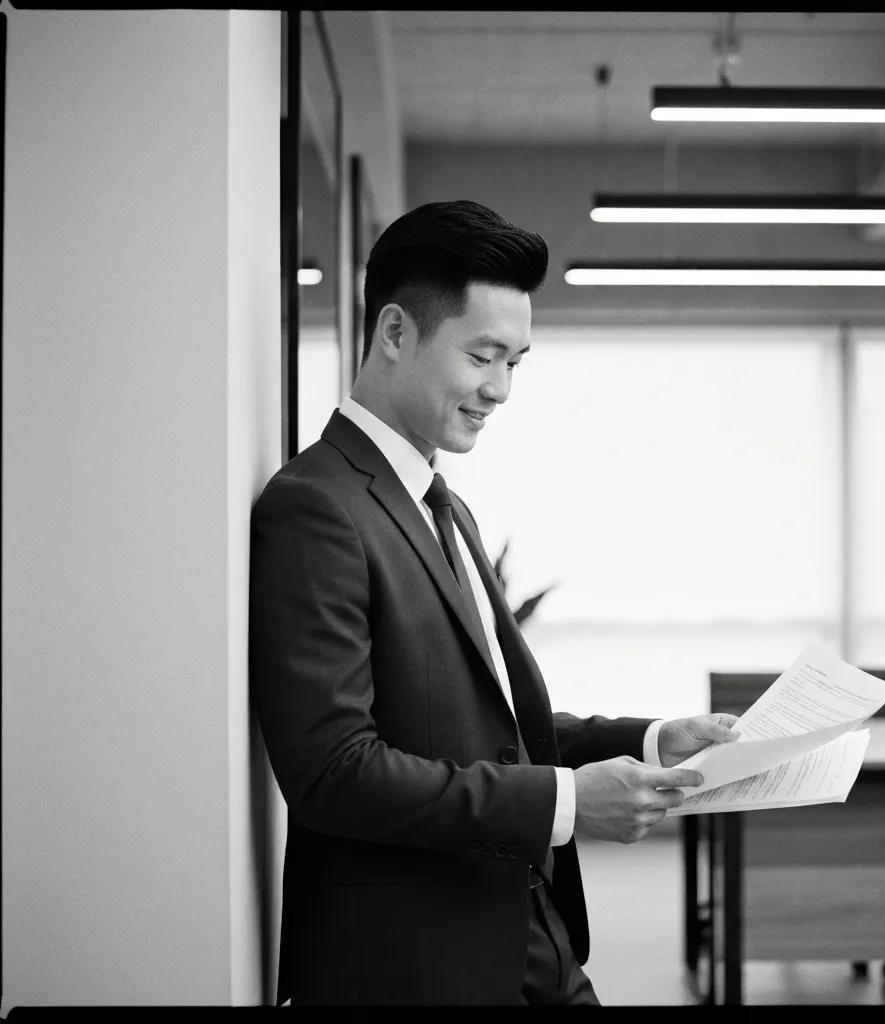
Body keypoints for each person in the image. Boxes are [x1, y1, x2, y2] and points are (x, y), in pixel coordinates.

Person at [249, 199, 739, 1006]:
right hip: (419, 965)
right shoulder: (316, 506)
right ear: (396, 333)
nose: (502, 389)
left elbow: (496, 727)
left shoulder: (442, 504)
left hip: (524, 929)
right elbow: (336, 772)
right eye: (484, 356)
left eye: (517, 361)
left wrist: (652, 741)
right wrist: (569, 802)